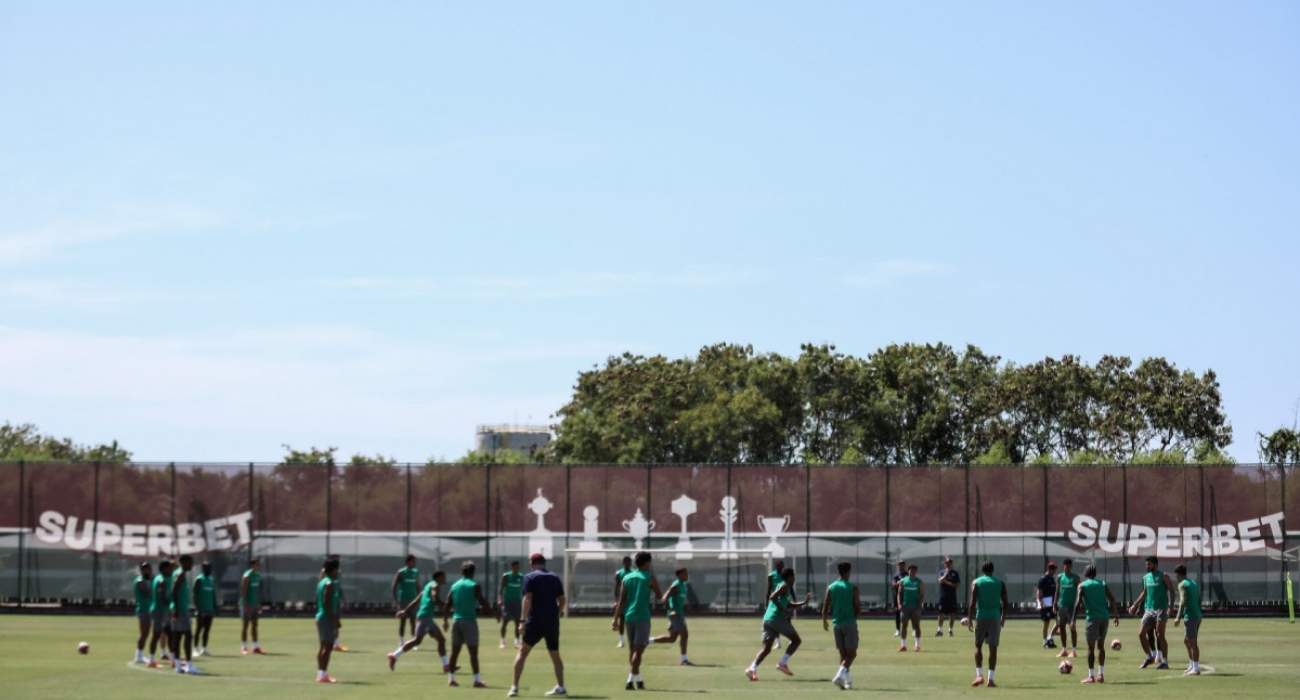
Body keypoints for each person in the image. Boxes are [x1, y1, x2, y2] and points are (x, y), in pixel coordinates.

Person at [508, 553, 568, 698]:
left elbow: (527, 598)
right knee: (555, 655)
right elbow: (562, 600)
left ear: (533, 562)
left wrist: (522, 621)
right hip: (551, 623)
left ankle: (514, 687)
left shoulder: (530, 577)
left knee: (522, 653)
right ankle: (561, 687)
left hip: (535, 621)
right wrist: (556, 613)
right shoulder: (554, 577)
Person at [745, 567, 813, 681]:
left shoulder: (783, 586)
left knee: (767, 648)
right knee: (796, 640)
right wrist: (782, 609)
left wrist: (804, 602)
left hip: (767, 619)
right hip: (777, 619)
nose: (795, 579)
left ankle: (752, 669)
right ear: (790, 577)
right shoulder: (785, 585)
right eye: (794, 576)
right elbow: (773, 597)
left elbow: (789, 604)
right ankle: (782, 663)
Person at [612, 550, 662, 690]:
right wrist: (668, 596)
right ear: (647, 563)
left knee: (633, 651)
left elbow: (621, 601)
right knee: (638, 652)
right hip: (642, 617)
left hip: (628, 617)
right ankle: (629, 680)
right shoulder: (649, 577)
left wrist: (615, 619)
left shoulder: (627, 578)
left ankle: (638, 680)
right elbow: (659, 596)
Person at [388, 570, 450, 673]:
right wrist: (444, 605)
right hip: (425, 618)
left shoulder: (427, 586)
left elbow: (416, 601)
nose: (445, 579)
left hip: (425, 617)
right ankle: (394, 655)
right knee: (417, 640)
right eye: (443, 576)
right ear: (438, 577)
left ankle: (446, 666)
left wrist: (405, 611)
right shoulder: (435, 585)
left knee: (440, 640)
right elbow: (434, 596)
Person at [445, 560, 491, 688]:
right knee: (473, 653)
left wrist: (444, 620)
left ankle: (451, 679)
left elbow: (447, 604)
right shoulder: (474, 585)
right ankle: (477, 681)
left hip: (456, 621)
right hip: (469, 621)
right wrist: (492, 611)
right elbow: (482, 601)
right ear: (473, 572)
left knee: (455, 652)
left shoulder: (454, 585)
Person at [1073, 564, 1120, 684]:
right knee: (1101, 646)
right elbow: (1113, 599)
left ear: (1085, 573)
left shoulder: (1082, 585)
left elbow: (1078, 603)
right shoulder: (1102, 584)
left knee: (1090, 648)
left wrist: (1073, 620)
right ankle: (1101, 674)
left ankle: (1091, 676)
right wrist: (1116, 615)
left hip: (1092, 618)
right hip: (1104, 617)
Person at [966, 561, 1008, 688]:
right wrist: (1003, 617)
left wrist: (969, 619)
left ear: (982, 570)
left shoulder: (976, 582)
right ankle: (990, 679)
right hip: (995, 617)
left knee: (978, 646)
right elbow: (1005, 603)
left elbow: (972, 603)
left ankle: (979, 675)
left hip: (981, 617)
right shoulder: (1000, 583)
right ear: (993, 570)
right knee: (993, 648)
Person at [1128, 555, 1174, 670]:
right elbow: (1144, 592)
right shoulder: (1146, 577)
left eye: (1149, 564)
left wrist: (1171, 607)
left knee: (1160, 635)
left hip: (1161, 609)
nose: (1147, 566)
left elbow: (1172, 591)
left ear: (1155, 564)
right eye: (1146, 564)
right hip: (1149, 610)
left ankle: (1165, 661)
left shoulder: (1164, 576)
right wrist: (1135, 605)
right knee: (1141, 633)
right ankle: (1150, 657)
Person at [820, 561, 860, 689]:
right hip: (849, 623)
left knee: (843, 655)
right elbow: (857, 605)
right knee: (852, 654)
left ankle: (847, 682)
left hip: (836, 624)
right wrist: (857, 615)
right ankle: (839, 675)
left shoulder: (831, 587)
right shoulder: (852, 587)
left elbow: (825, 605)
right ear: (848, 572)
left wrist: (824, 620)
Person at [651, 567, 693, 666]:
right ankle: (684, 660)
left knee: (672, 638)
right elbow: (667, 595)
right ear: (679, 575)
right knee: (685, 634)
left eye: (687, 573)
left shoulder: (683, 585)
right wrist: (665, 602)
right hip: (675, 614)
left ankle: (648, 641)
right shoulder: (676, 584)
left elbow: (680, 598)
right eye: (685, 573)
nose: (687, 575)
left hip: (679, 613)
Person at [169, 554, 198, 674]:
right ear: (184, 562)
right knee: (187, 636)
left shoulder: (177, 572)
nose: (192, 565)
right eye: (190, 562)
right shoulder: (180, 574)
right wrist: (176, 609)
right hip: (180, 610)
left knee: (177, 636)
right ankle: (189, 666)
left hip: (178, 609)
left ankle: (177, 666)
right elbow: (174, 590)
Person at [1173, 564, 1203, 676]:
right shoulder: (1193, 583)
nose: (1175, 577)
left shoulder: (1182, 584)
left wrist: (1177, 617)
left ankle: (1196, 668)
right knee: (1187, 641)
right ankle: (1192, 665)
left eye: (1176, 575)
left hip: (1190, 617)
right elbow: (1199, 599)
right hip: (1197, 615)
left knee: (1192, 642)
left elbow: (1182, 601)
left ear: (1178, 574)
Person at [315, 557, 342, 684]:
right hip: (326, 618)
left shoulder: (322, 581)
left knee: (323, 647)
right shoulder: (329, 583)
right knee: (328, 647)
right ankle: (323, 675)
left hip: (321, 616)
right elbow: (326, 603)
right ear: (334, 569)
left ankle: (321, 673)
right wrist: (334, 620)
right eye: (337, 568)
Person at [147, 559, 173, 668]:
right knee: (157, 635)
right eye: (169, 568)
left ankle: (173, 660)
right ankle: (152, 660)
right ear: (164, 569)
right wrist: (173, 604)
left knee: (170, 635)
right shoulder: (161, 580)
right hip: (160, 611)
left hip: (162, 610)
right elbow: (163, 597)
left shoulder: (159, 578)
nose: (171, 570)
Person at [1053, 558, 1081, 658]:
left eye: (1069, 566)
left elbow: (1079, 593)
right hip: (1061, 606)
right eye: (1065, 566)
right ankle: (1064, 650)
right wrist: (1054, 604)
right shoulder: (1060, 577)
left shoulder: (1076, 578)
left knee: (1072, 628)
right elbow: (1057, 591)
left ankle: (1073, 651)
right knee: (1061, 628)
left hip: (1071, 607)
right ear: (1063, 566)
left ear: (1071, 566)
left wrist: (1079, 603)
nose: (1067, 568)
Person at [392, 554, 421, 646]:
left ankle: (413, 642)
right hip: (403, 600)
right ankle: (401, 640)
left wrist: (420, 597)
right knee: (403, 620)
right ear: (408, 562)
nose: (414, 563)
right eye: (413, 561)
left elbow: (418, 586)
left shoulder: (416, 572)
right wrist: (396, 601)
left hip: (413, 600)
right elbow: (394, 586)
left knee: (413, 621)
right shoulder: (401, 572)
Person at [896, 563, 924, 652]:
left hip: (915, 607)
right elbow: (899, 593)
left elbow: (922, 594)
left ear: (916, 572)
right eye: (911, 570)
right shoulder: (904, 581)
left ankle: (917, 645)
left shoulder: (919, 582)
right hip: (905, 606)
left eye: (914, 570)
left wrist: (920, 605)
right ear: (908, 571)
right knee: (904, 626)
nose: (912, 572)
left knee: (916, 626)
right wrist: (899, 604)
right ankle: (903, 645)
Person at [240, 559, 264, 655]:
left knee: (255, 625)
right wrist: (245, 605)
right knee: (245, 626)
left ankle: (255, 647)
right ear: (252, 565)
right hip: (247, 605)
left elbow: (258, 591)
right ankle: (244, 647)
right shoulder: (247, 575)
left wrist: (259, 604)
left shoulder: (258, 576)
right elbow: (243, 591)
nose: (259, 566)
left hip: (255, 605)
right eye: (257, 564)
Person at [193, 561, 218, 657]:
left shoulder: (211, 579)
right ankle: (195, 648)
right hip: (201, 609)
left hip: (210, 609)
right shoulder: (199, 579)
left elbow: (213, 594)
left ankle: (204, 648)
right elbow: (194, 595)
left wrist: (215, 606)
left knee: (207, 630)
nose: (209, 570)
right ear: (203, 569)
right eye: (207, 568)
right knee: (199, 629)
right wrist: (198, 608)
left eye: (210, 568)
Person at [131, 562, 153, 664]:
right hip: (143, 610)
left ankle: (140, 654)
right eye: (145, 569)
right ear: (141, 570)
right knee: (144, 634)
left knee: (146, 633)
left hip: (148, 609)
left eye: (148, 568)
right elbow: (147, 592)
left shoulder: (149, 580)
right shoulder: (140, 581)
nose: (147, 570)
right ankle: (138, 655)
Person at [500, 561, 524, 649]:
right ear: (512, 567)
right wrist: (500, 599)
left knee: (517, 622)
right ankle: (503, 641)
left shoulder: (521, 577)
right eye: (515, 567)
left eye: (518, 567)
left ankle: (517, 641)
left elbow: (523, 589)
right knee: (505, 622)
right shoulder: (506, 576)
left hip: (517, 602)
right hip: (507, 602)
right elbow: (501, 589)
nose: (516, 568)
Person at [936, 556, 960, 637]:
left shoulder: (955, 573)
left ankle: (950, 629)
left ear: (951, 563)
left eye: (950, 562)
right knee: (941, 613)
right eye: (947, 563)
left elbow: (957, 585)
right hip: (943, 596)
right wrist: (946, 574)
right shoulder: (941, 572)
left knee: (952, 614)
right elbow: (939, 580)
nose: (948, 564)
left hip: (952, 597)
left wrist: (946, 582)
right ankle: (939, 629)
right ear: (945, 564)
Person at [612, 556, 633, 649]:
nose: (628, 564)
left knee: (632, 620)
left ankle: (633, 639)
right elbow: (616, 588)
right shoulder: (619, 573)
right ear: (623, 563)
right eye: (626, 562)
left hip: (632, 600)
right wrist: (616, 600)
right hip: (622, 600)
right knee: (622, 619)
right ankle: (621, 641)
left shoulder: (633, 573)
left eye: (629, 562)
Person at [1036, 561, 1058, 649]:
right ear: (1049, 569)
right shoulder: (1043, 579)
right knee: (1046, 622)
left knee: (1059, 621)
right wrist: (1041, 602)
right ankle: (1045, 641)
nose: (1054, 571)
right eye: (1053, 569)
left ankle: (1050, 637)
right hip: (1046, 603)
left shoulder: (1052, 578)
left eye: (1055, 569)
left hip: (1052, 603)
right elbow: (1039, 592)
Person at [765, 559, 787, 649]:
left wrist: (793, 598)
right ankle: (778, 642)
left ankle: (790, 637)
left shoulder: (785, 575)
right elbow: (769, 589)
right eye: (779, 566)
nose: (781, 567)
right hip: (774, 601)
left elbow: (789, 587)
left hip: (785, 600)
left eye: (782, 566)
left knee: (786, 619)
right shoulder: (771, 576)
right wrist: (767, 602)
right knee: (775, 620)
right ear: (776, 566)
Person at [890, 560, 907, 638]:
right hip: (897, 597)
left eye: (902, 565)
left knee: (909, 613)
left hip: (907, 596)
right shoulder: (896, 576)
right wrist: (899, 582)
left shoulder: (908, 574)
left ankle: (913, 629)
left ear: (904, 565)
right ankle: (898, 630)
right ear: (897, 566)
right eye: (899, 565)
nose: (901, 566)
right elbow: (893, 585)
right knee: (897, 613)